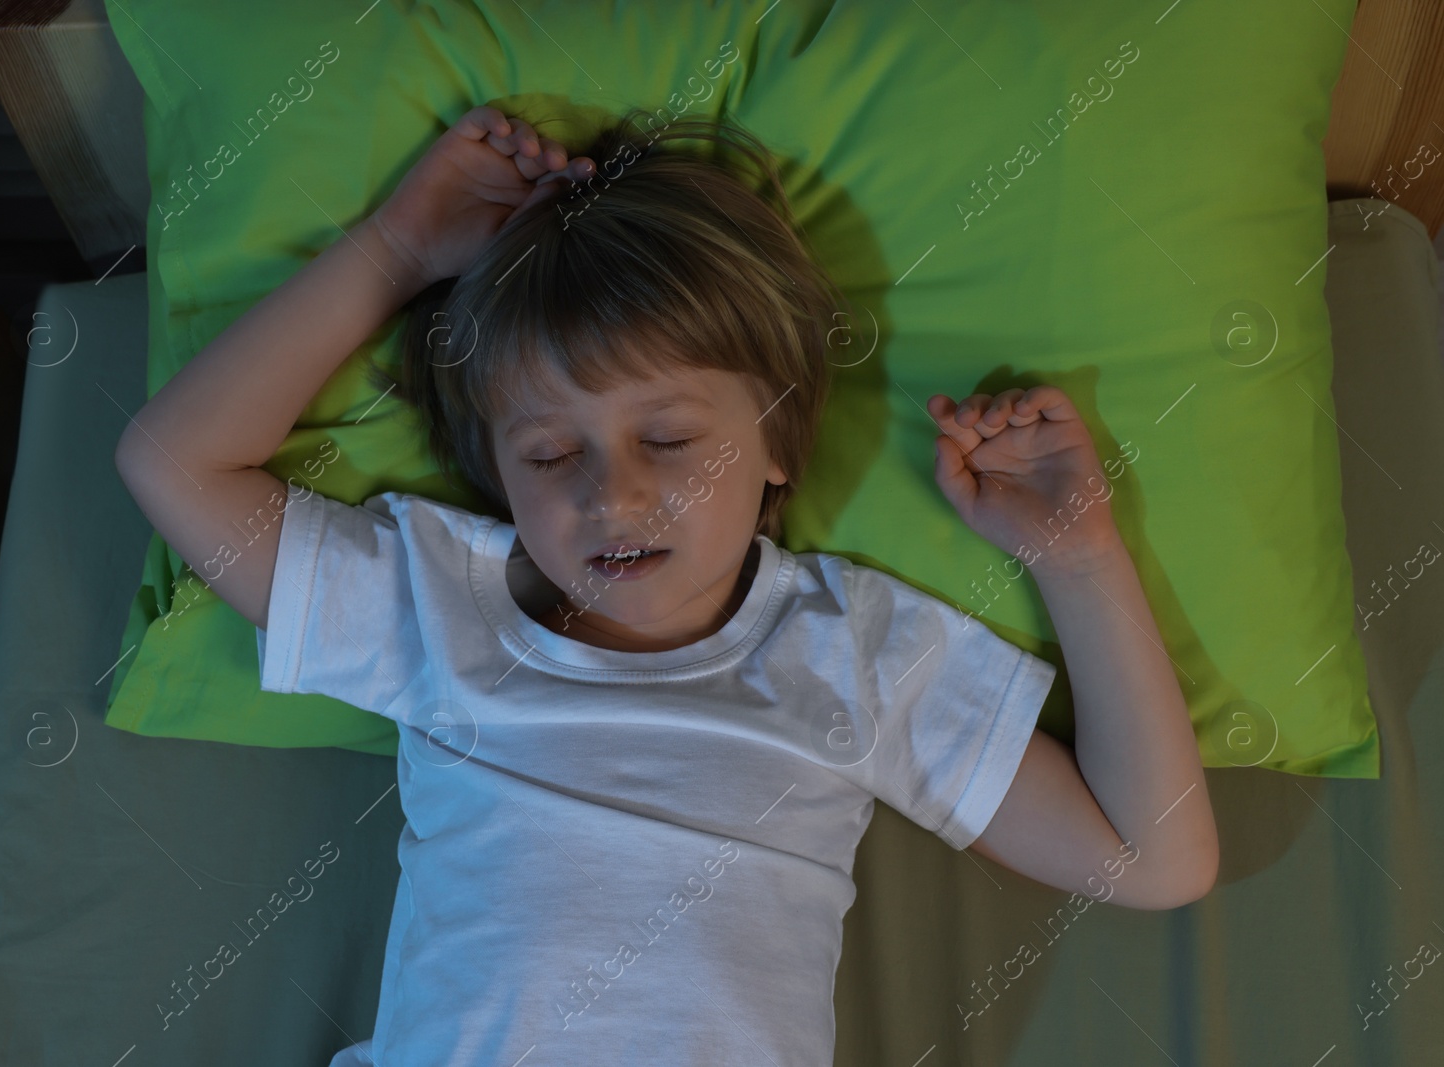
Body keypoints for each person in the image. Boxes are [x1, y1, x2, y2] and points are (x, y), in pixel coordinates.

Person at [115, 104, 1219, 1066]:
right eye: (550, 454)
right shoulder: (433, 608)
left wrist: (1075, 557)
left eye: (673, 436)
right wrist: (399, 247)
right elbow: (175, 463)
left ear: (778, 442)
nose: (614, 493)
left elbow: (1152, 854)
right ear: (498, 472)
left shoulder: (851, 651)